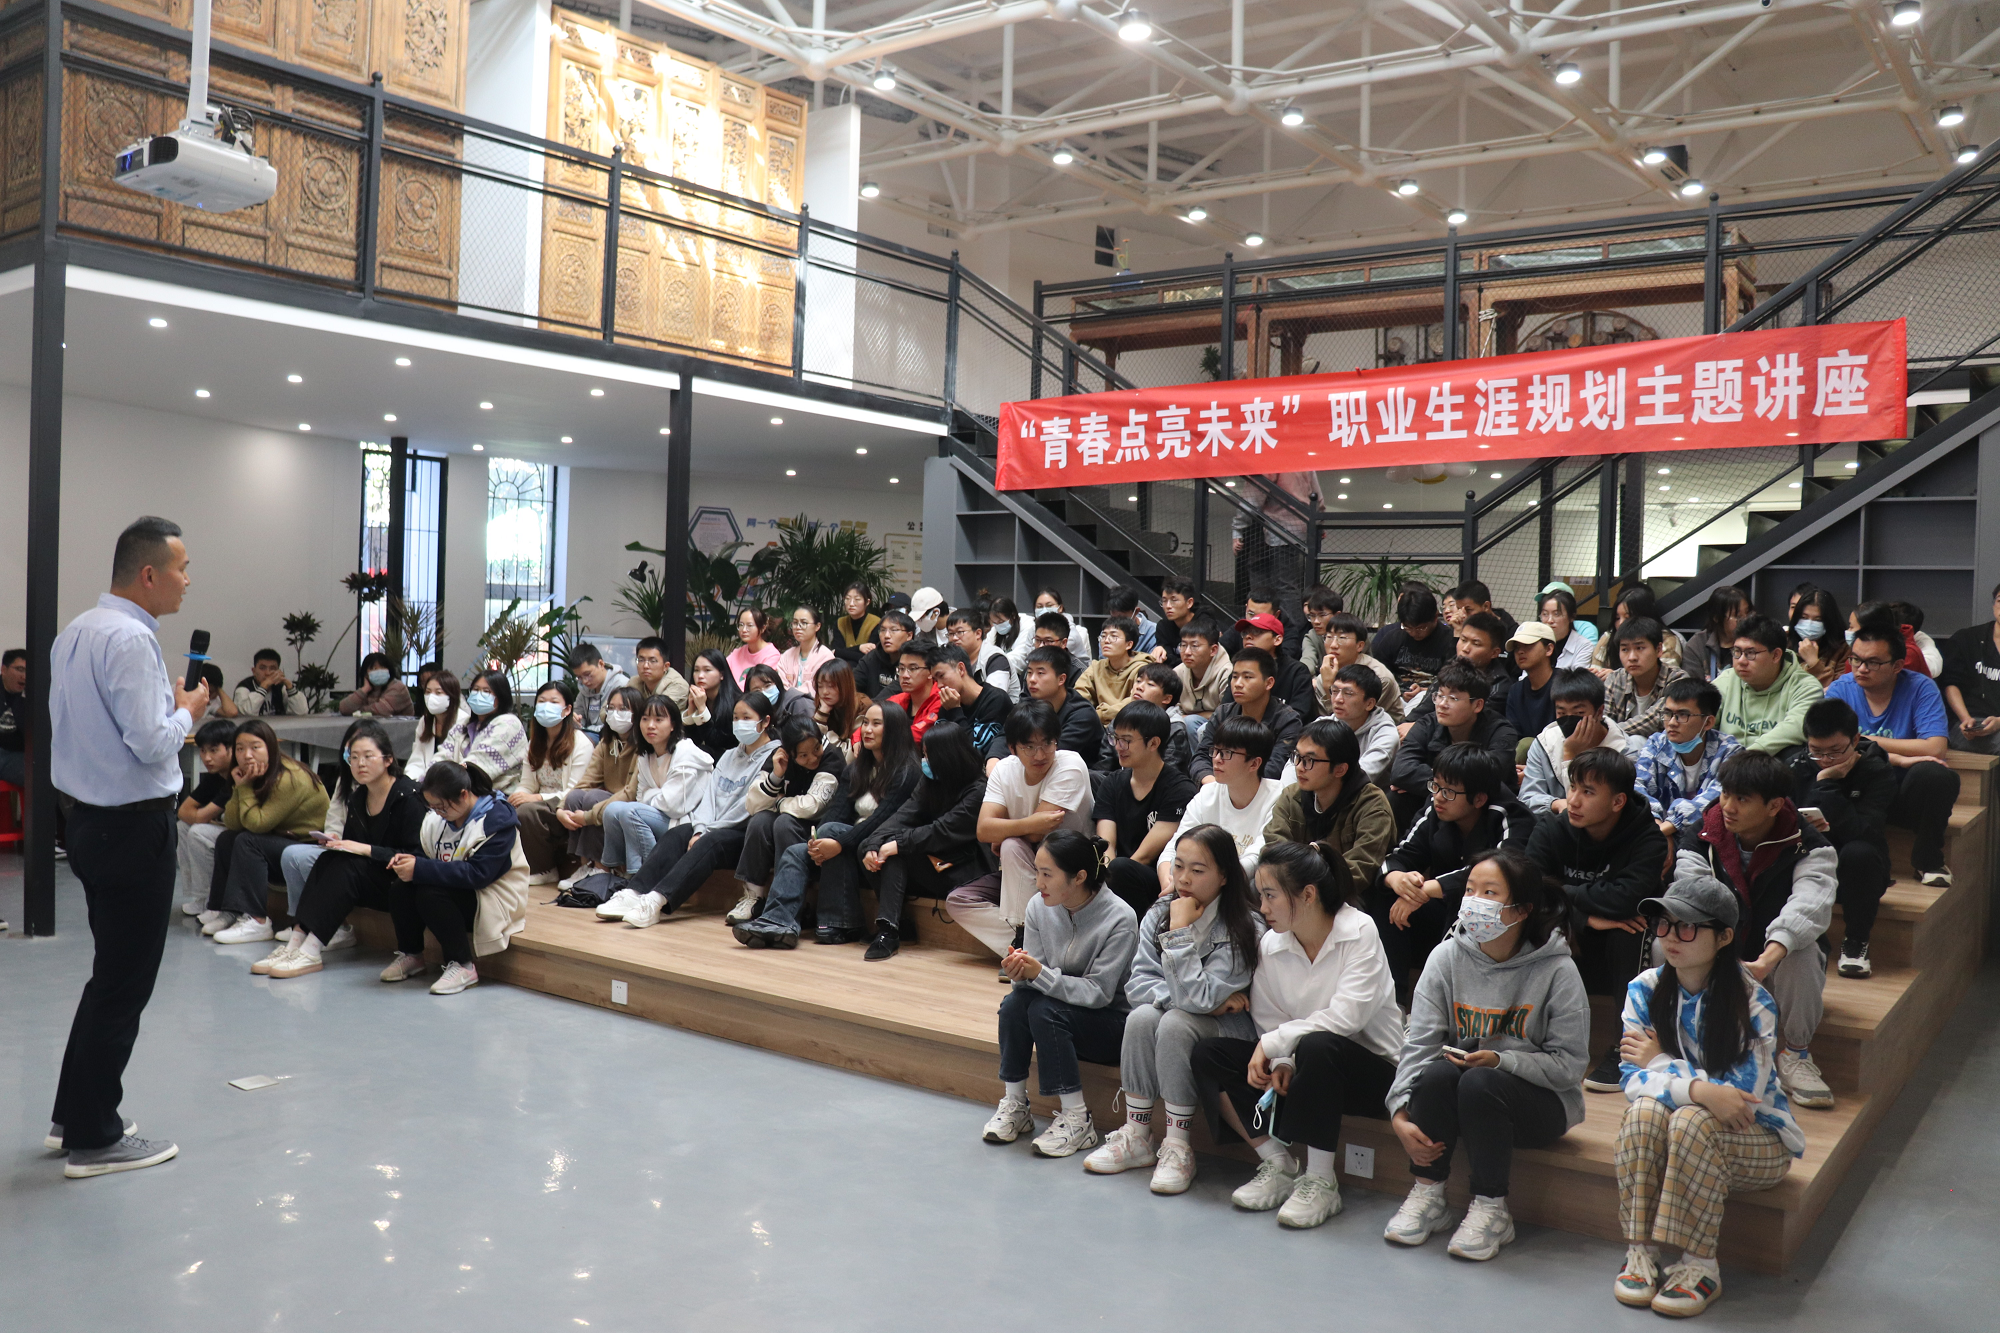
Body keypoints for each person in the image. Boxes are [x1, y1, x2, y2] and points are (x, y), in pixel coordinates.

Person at [45, 516, 207, 1176]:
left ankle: (73, 1114)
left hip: (87, 820)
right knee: (124, 981)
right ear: (148, 574)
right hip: (132, 827)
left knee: (109, 974)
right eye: (181, 568)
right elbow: (150, 741)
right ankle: (94, 1138)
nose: (187, 580)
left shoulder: (77, 630)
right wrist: (188, 713)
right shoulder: (133, 640)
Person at [1384, 848, 1590, 1259]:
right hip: (1468, 1097)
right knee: (1437, 1074)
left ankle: (1492, 1208)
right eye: (1470, 890)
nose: (1474, 901)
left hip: (1540, 1103)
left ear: (1522, 910)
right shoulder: (1446, 957)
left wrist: (1502, 1060)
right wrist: (1399, 1111)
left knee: (1481, 1081)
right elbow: (1419, 1043)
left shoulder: (1557, 970)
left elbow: (1570, 1066)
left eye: (1490, 892)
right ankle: (1428, 1193)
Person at [1611, 876, 1802, 1318]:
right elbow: (1632, 1079)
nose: (1670, 937)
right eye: (1664, 924)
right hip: (1687, 1131)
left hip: (1758, 1140)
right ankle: (1640, 1250)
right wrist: (1699, 1089)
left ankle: (1701, 1264)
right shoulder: (1644, 988)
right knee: (1643, 1112)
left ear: (1724, 937)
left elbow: (1739, 1102)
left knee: (1690, 1120)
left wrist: (1660, 1063)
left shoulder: (1753, 1001)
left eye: (1688, 927)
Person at [1190, 840, 1402, 1230]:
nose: (1262, 907)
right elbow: (1272, 1018)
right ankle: (1279, 1164)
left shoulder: (1359, 930)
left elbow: (1347, 1017)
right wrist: (1283, 1060)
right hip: (1306, 1065)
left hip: (1372, 1072)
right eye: (1260, 895)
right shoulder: (1272, 944)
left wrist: (1278, 1045)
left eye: (1270, 895)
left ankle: (1321, 1181)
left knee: (1318, 1046)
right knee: (1209, 1054)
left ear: (1307, 894)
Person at [1085, 823, 1263, 1191]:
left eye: (1197, 870)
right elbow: (1138, 986)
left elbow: (1199, 999)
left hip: (1235, 1032)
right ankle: (1137, 1134)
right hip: (1195, 1015)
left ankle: (1178, 1145)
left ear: (1225, 875)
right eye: (1178, 866)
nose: (1183, 878)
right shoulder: (1160, 911)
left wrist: (1179, 933)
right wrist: (1196, 1002)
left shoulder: (1246, 925)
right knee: (1142, 1017)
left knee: (1176, 1023)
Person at [1672, 750, 1837, 1110]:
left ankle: (1795, 1055)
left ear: (1774, 805)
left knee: (1803, 950)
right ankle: (1681, 1043)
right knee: (1669, 940)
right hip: (1719, 952)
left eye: (1742, 799)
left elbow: (1809, 905)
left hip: (1772, 962)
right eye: (1725, 794)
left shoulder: (1810, 845)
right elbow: (1692, 898)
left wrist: (1766, 961)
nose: (1728, 807)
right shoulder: (1702, 835)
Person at [981, 831, 1140, 1158]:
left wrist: (1038, 974)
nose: (1038, 882)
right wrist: (1020, 974)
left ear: (1079, 877)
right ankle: (1016, 1103)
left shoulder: (1120, 918)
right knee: (1014, 1004)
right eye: (1036, 871)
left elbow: (1099, 993)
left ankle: (1078, 1119)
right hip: (1058, 1011)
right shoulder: (1038, 906)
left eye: (1047, 874)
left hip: (1111, 1024)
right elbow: (1035, 982)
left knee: (1044, 1010)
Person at [1525, 747, 1668, 1092]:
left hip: (1619, 934)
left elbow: (1628, 899)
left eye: (1588, 792)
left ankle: (1626, 1046)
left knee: (1634, 932)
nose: (1573, 800)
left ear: (1618, 801)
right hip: (1569, 924)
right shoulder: (1551, 828)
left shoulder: (1648, 838)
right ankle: (1524, 1032)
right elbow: (1531, 888)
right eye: (1573, 787)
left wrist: (1565, 892)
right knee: (1525, 919)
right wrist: (1587, 918)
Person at [736, 701, 918, 947]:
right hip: (849, 841)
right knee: (796, 851)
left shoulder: (907, 771)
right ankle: (777, 921)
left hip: (880, 845)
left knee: (831, 831)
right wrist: (818, 842)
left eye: (876, 724)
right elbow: (837, 812)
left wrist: (837, 842)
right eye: (865, 722)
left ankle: (842, 923)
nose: (867, 729)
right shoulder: (857, 769)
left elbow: (882, 821)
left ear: (894, 729)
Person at [260, 721, 428, 979]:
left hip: (401, 882)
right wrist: (341, 844)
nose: (360, 764)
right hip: (373, 878)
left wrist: (363, 848)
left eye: (368, 756)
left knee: (346, 866)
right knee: (331, 859)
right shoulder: (359, 797)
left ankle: (312, 949)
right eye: (354, 757)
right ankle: (296, 943)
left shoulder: (408, 796)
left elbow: (414, 855)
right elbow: (353, 850)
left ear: (388, 760)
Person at [600, 692, 782, 928]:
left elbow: (749, 805)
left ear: (765, 722)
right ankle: (633, 892)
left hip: (742, 834)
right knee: (678, 833)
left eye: (746, 718)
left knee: (710, 841)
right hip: (712, 828)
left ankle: (655, 901)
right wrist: (699, 829)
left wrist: (708, 831)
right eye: (736, 718)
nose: (739, 723)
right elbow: (710, 797)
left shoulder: (774, 756)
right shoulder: (730, 755)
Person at [1370, 745, 1534, 1000]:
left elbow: (1501, 872)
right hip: (1441, 907)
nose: (1438, 797)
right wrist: (1398, 879)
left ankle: (1449, 1003)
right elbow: (1400, 855)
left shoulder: (1511, 817)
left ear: (1479, 799)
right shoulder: (1436, 809)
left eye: (1448, 791)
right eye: (1435, 786)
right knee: (1382, 894)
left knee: (1467, 903)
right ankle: (1394, 1001)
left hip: (1492, 916)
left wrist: (1428, 889)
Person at [952, 701, 1096, 960]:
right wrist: (1025, 825)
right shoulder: (1004, 769)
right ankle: (1035, 944)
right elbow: (984, 830)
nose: (1040, 755)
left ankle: (1024, 945)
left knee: (1010, 845)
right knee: (958, 902)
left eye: (1047, 744)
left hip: (1069, 872)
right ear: (1012, 748)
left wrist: (1005, 830)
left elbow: (1038, 835)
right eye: (1029, 747)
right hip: (1023, 869)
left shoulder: (1070, 764)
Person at [1825, 619, 1960, 889]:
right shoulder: (1841, 688)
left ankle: (1928, 860)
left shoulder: (1920, 687)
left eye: (1873, 662)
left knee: (1935, 774)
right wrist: (1898, 755)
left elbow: (1935, 747)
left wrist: (1865, 741)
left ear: (1897, 665)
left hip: (1902, 793)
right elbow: (1832, 746)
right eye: (1856, 659)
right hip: (1859, 790)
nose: (1861, 668)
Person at [376, 761, 529, 995]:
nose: (437, 812)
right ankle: (412, 955)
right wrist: (408, 861)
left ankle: (463, 965)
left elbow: (479, 875)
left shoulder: (496, 821)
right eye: (432, 806)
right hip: (458, 891)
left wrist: (420, 868)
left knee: (430, 893)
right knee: (401, 888)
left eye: (441, 807)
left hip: (493, 899)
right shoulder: (437, 819)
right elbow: (427, 856)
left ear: (464, 795)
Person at [858, 722, 991, 959]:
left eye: (928, 755)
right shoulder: (931, 780)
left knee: (897, 853)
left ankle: (889, 931)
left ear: (946, 756)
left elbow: (941, 831)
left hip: (961, 870)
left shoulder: (978, 791)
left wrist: (897, 844)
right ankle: (897, 926)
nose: (924, 761)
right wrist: (873, 844)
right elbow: (903, 815)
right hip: (931, 860)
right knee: (868, 849)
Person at [1790, 698, 1897, 979]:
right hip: (1808, 860)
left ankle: (1856, 942)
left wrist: (1826, 783)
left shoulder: (1877, 771)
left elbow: (1864, 831)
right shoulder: (1798, 767)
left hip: (1859, 870)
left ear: (1855, 740)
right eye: (1816, 751)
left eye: (1835, 751)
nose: (1825, 760)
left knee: (1859, 852)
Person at [199, 717, 330, 945]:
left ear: (270, 747)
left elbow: (257, 824)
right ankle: (228, 911)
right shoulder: (250, 775)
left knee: (248, 841)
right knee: (228, 839)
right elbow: (233, 823)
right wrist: (240, 788)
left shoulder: (290, 777)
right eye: (240, 749)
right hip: (281, 840)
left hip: (307, 847)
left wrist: (245, 789)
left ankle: (257, 921)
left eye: (255, 747)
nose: (247, 755)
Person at [726, 714, 845, 928]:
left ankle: (788, 903)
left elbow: (813, 805)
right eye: (803, 755)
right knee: (760, 821)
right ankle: (753, 897)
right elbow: (752, 805)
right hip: (789, 820)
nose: (813, 758)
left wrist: (779, 802)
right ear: (790, 753)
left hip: (819, 828)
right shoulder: (779, 757)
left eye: (816, 749)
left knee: (784, 823)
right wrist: (775, 777)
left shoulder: (832, 757)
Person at [1267, 718, 1398, 895]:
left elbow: (1360, 868)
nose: (1299, 767)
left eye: (1309, 760)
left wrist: (1306, 884)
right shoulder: (1292, 795)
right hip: (1294, 889)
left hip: (1350, 898)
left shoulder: (1372, 805)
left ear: (1340, 769)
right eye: (1297, 756)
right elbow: (1273, 845)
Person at [1095, 701, 1200, 918]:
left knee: (1122, 868)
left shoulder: (1180, 789)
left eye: (1127, 740)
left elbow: (1145, 856)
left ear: (1153, 743)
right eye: (1115, 738)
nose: (1118, 747)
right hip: (1115, 873)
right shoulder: (1112, 783)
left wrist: (1109, 882)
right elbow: (1106, 846)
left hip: (1157, 881)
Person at [1388, 660, 1521, 829]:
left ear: (1477, 705)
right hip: (1440, 801)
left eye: (1453, 698)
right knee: (1397, 797)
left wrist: (1435, 784)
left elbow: (1487, 780)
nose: (1442, 704)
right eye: (1440, 695)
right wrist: (1443, 788)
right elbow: (1401, 771)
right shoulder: (1428, 723)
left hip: (1483, 807)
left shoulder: (1501, 731)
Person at [599, 695, 716, 880]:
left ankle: (647, 874)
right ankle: (615, 872)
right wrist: (658, 795)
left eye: (658, 720)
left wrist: (651, 795)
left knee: (630, 812)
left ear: (673, 725)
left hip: (685, 823)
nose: (650, 725)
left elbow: (673, 806)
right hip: (660, 816)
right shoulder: (646, 755)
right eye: (645, 719)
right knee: (611, 810)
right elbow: (640, 797)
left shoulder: (685, 752)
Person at [1162, 717, 1283, 879]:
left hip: (1241, 886)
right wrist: (1169, 880)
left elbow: (1258, 857)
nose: (1216, 759)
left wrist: (1212, 883)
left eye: (1227, 753)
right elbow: (1175, 846)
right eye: (1215, 750)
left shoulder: (1278, 797)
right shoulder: (1207, 793)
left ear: (1254, 764)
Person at [553, 683, 645, 881]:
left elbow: (630, 793)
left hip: (632, 804)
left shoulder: (643, 746)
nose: (615, 714)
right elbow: (586, 780)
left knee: (594, 798)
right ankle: (585, 866)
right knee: (576, 796)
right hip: (610, 798)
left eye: (623, 709)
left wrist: (588, 817)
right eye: (611, 708)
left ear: (637, 713)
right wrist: (561, 808)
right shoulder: (606, 742)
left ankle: (602, 868)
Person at [1634, 679, 1743, 840]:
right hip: (1656, 832)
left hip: (1708, 840)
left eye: (1682, 715)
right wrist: (1657, 827)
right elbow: (1637, 787)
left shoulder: (1730, 752)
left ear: (1708, 722)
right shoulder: (1657, 743)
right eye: (1667, 714)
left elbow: (1715, 801)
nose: (1672, 723)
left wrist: (1665, 830)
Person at [510, 680, 596, 884]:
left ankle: (544, 869)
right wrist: (517, 797)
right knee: (505, 806)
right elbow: (527, 784)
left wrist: (536, 798)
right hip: (539, 802)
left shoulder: (581, 743)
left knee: (527, 811)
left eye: (554, 702)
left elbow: (575, 790)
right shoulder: (535, 743)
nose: (546, 706)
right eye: (541, 701)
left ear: (567, 710)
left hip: (564, 803)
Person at [1520, 668, 1630, 817]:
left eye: (1579, 713)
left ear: (1599, 712)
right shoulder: (1544, 743)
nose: (1569, 720)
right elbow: (1527, 797)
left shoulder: (1625, 749)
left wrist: (1570, 756)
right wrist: (1555, 804)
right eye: (1562, 713)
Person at [1714, 614, 1824, 755]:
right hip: (1725, 762)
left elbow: (1794, 729)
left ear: (1776, 655)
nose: (1741, 661)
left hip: (1775, 765)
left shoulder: (1806, 687)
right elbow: (1702, 720)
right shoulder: (1726, 680)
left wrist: (1744, 759)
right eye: (1737, 652)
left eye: (1750, 653)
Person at [1190, 648, 1302, 783]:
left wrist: (1232, 785)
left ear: (1269, 683)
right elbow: (1201, 756)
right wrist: (1211, 784)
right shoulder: (1223, 713)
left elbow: (1275, 768)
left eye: (1247, 677)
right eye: (1235, 677)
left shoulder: (1287, 720)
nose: (1238, 684)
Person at [174, 719, 240, 917]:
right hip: (228, 829)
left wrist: (204, 819)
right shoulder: (215, 776)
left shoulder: (236, 776)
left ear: (231, 749)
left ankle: (214, 900)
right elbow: (183, 811)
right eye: (203, 751)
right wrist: (205, 819)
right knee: (182, 827)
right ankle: (200, 897)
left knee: (198, 832)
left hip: (246, 834)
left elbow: (201, 815)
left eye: (213, 750)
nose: (207, 758)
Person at [1604, 617, 1690, 739]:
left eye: (1640, 648)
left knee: (1636, 740)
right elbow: (1604, 719)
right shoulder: (1615, 679)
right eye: (1625, 649)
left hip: (1664, 746)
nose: (1632, 657)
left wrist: (1609, 731)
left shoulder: (1677, 679)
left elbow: (1655, 719)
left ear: (1658, 649)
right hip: (1618, 745)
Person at [1940, 581, 2000, 753]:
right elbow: (1951, 683)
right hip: (1968, 723)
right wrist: (1966, 719)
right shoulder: (1967, 638)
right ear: (1993, 605)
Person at [1315, 612, 1405, 724]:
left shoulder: (1379, 677)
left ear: (1360, 645)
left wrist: (1329, 687)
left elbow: (1357, 720)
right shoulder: (1325, 675)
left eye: (1342, 638)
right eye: (1328, 637)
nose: (1333, 645)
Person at [1021, 644, 1102, 766]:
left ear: (1061, 679)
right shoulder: (1029, 703)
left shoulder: (1082, 714)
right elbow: (1006, 735)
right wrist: (994, 758)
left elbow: (1051, 755)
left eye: (1040, 673)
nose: (1032, 679)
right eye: (1029, 672)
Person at [1318, 665, 1394, 784]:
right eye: (1334, 691)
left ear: (1369, 704)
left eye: (1348, 693)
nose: (1338, 699)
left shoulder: (1386, 735)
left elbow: (1360, 777)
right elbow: (1295, 764)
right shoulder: (1322, 725)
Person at [1370, 588, 1455, 692]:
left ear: (1435, 617)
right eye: (1408, 627)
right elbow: (1379, 675)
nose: (1414, 633)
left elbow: (1451, 682)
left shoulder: (1450, 641)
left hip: (1433, 696)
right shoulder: (1393, 638)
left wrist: (1424, 691)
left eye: (1421, 628)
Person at [1234, 613, 1317, 719]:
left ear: (1277, 639)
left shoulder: (1297, 671)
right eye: (1245, 633)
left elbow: (1299, 714)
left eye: (1257, 632)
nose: (1248, 636)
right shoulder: (1238, 668)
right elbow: (1227, 711)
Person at [1590, 585, 1687, 673]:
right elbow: (1595, 671)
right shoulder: (1608, 637)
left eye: (1627, 617)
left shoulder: (1667, 639)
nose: (1621, 623)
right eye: (1617, 618)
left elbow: (1666, 676)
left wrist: (1615, 677)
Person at [1077, 616, 1146, 724]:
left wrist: (1101, 714)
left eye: (1114, 636)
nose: (1106, 641)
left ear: (1129, 644)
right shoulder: (1096, 667)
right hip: (1096, 725)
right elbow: (1078, 697)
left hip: (1130, 724)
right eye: (1103, 636)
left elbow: (1136, 702)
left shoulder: (1143, 669)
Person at [1503, 622, 1560, 741]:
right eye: (1517, 647)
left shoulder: (1566, 683)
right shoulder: (1515, 691)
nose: (1520, 651)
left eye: (1528, 645)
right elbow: (1514, 736)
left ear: (1549, 649)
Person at [1682, 585, 1751, 682]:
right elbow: (1691, 685)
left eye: (1748, 614)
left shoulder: (1755, 641)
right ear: (1716, 617)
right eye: (1738, 616)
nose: (1746, 620)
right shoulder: (1697, 644)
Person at [683, 649, 741, 760]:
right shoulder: (698, 698)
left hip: (731, 759)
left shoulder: (736, 702)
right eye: (696, 670)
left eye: (707, 670)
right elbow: (692, 741)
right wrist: (691, 710)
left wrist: (702, 708)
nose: (700, 676)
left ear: (722, 675)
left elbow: (717, 743)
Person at [408, 669, 464, 782]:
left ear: (451, 696)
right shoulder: (425, 721)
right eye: (428, 692)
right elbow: (417, 757)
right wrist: (411, 780)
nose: (431, 697)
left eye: (438, 693)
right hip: (425, 781)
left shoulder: (463, 722)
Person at [1172, 617, 1232, 721]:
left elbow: (1226, 714)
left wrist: (1188, 718)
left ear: (1213, 650)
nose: (1187, 652)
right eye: (1183, 645)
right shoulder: (1177, 672)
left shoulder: (1227, 674)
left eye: (1194, 646)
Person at [884, 642, 946, 743]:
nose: (905, 675)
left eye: (912, 669)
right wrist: (858, 740)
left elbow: (918, 735)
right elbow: (872, 719)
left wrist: (880, 736)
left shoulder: (942, 700)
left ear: (931, 672)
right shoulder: (898, 700)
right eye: (901, 669)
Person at [1788, 587, 1849, 688]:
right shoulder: (1785, 643)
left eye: (1818, 619)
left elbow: (1839, 689)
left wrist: (1814, 663)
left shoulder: (1844, 649)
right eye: (1804, 617)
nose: (1809, 624)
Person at [945, 608, 1013, 698]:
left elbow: (995, 698)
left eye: (960, 632)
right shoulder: (952, 658)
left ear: (978, 633)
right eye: (951, 633)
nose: (954, 638)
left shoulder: (996, 659)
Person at [569, 643, 629, 736]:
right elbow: (578, 714)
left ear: (601, 664)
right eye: (579, 677)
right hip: (587, 735)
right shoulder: (584, 689)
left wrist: (587, 730)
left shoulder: (621, 685)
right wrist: (575, 720)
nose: (584, 681)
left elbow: (618, 724)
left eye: (587, 674)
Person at [854, 610, 915, 700]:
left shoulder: (915, 661)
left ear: (909, 635)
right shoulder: (872, 657)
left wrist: (873, 706)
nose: (886, 635)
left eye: (894, 630)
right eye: (882, 630)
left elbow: (896, 690)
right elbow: (852, 683)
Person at [811, 658, 863, 760]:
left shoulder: (862, 707)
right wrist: (821, 715)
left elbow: (849, 757)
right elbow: (811, 744)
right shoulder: (824, 705)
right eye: (820, 686)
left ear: (845, 685)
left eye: (831, 686)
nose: (825, 692)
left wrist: (827, 734)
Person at [233, 647, 308, 716]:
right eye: (262, 668)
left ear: (278, 671)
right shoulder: (243, 687)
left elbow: (301, 712)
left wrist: (289, 686)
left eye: (272, 668)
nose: (268, 673)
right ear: (254, 671)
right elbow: (247, 713)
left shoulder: (281, 687)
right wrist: (264, 686)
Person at [743, 662, 814, 734]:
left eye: (768, 686)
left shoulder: (798, 703)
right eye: (757, 691)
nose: (763, 692)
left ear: (777, 683)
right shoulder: (759, 716)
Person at [337, 651, 413, 717]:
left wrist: (358, 710)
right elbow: (344, 708)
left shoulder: (398, 687)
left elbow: (383, 710)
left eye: (383, 667)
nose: (379, 671)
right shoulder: (368, 691)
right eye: (374, 669)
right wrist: (364, 689)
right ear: (365, 674)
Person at [777, 606, 835, 692]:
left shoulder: (825, 656)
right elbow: (781, 686)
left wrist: (792, 694)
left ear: (817, 626)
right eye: (795, 623)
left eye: (804, 623)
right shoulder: (787, 655)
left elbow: (817, 689)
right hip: (787, 700)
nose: (798, 627)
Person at [1537, 588, 1595, 671]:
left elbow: (1578, 677)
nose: (1550, 620)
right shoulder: (1535, 642)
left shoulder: (1584, 646)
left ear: (1571, 617)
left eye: (1556, 614)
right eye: (1545, 614)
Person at [1031, 587, 1093, 662]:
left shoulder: (1070, 633)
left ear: (1060, 608)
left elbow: (1050, 658)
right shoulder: (1033, 628)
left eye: (1049, 606)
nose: (1044, 610)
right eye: (1040, 607)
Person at [726, 609, 785, 688]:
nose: (744, 630)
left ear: (763, 628)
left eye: (750, 625)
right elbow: (721, 672)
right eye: (741, 625)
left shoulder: (772, 655)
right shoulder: (737, 652)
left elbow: (757, 684)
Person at [631, 635, 691, 711]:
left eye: (653, 661)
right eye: (641, 660)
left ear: (666, 666)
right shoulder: (634, 682)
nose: (645, 666)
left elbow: (657, 713)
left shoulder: (678, 685)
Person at [1152, 576, 1199, 667]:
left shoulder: (1203, 624)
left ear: (1189, 603)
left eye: (1174, 600)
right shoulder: (1163, 626)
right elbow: (1165, 660)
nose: (1168, 606)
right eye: (1164, 601)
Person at [1297, 588, 1345, 677]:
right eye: (1312, 615)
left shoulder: (1353, 633)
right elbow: (1307, 662)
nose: (1316, 621)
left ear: (1337, 615)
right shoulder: (1312, 636)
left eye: (1322, 615)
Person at [833, 583, 881, 664]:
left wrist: (842, 652)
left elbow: (870, 657)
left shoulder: (876, 623)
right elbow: (835, 653)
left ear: (867, 602)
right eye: (847, 599)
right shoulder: (840, 623)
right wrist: (859, 648)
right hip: (843, 668)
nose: (851, 604)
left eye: (857, 599)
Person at [1105, 587, 1159, 656]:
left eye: (1122, 618)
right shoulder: (1107, 631)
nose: (1117, 623)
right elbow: (1104, 659)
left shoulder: (1153, 631)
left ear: (1136, 611)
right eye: (1114, 618)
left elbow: (1152, 660)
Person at [0, 647, 26, 787]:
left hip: (21, 754)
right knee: (34, 772)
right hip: (4, 754)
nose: (24, 676)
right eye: (20, 670)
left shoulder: (31, 695)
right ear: (3, 670)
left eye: (28, 671)